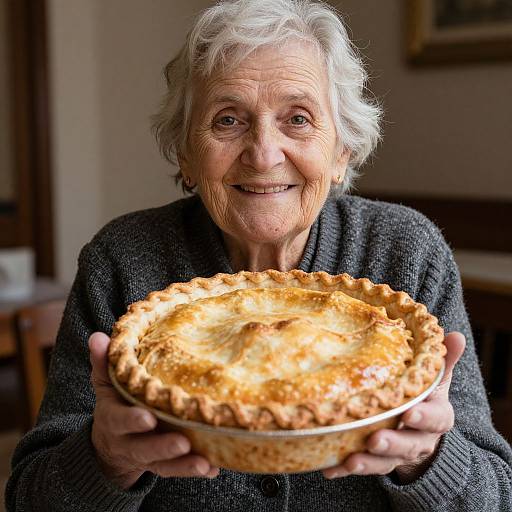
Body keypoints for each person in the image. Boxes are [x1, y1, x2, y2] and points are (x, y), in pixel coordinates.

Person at [6, 0, 512, 510]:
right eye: (228, 120)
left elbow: (498, 496)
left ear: (342, 151)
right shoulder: (121, 262)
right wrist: (106, 460)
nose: (264, 153)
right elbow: (29, 499)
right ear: (185, 152)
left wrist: (426, 460)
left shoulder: (405, 253)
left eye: (297, 118)